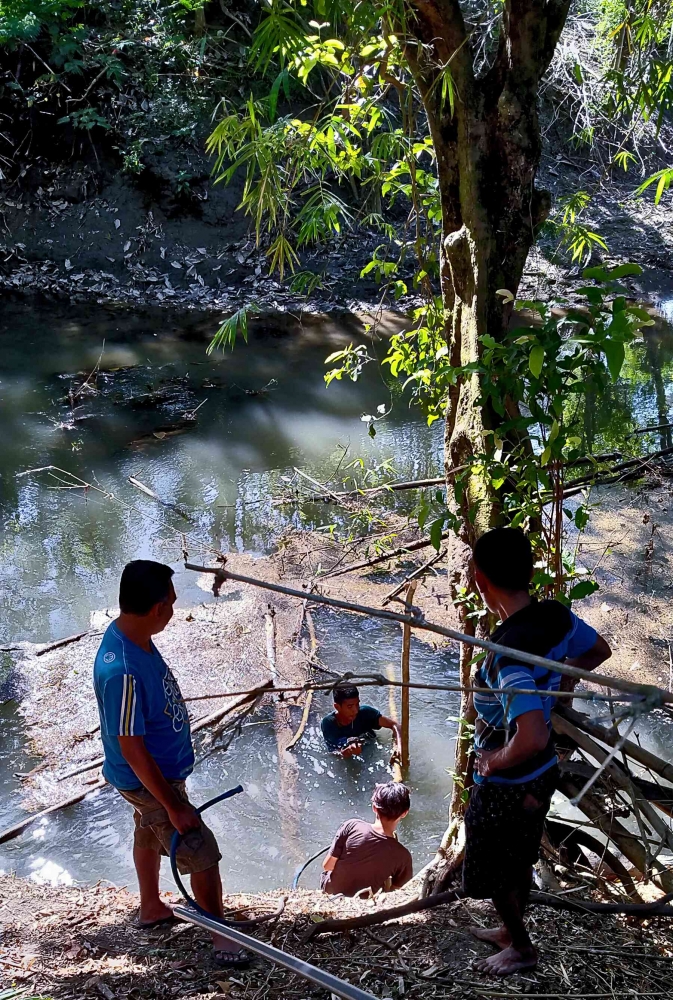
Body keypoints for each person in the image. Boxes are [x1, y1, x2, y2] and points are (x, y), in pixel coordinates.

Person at [464, 527, 611, 977]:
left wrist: (492, 761)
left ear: (479, 579)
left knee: (496, 868)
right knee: (522, 856)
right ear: (529, 573)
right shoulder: (555, 616)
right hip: (543, 774)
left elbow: (529, 737)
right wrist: (565, 677)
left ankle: (522, 948)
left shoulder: (506, 655)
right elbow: (599, 650)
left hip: (511, 779)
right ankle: (510, 933)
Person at [93, 560, 249, 968]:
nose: (175, 609)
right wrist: (174, 805)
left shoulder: (135, 635)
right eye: (173, 602)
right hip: (149, 780)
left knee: (147, 831)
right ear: (158, 608)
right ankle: (223, 940)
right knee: (199, 849)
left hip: (156, 777)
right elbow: (132, 748)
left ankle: (150, 906)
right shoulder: (121, 670)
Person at [322, 782, 413, 896]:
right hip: (366, 901)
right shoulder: (403, 856)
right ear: (404, 813)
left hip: (331, 892)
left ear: (374, 807)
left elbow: (327, 866)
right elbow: (395, 892)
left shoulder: (351, 826)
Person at [321, 684, 402, 760]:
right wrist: (347, 752)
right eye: (350, 707)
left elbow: (396, 726)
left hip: (371, 744)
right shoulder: (329, 724)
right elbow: (333, 753)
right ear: (337, 707)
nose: (355, 711)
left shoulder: (365, 713)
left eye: (357, 704)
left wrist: (398, 747)